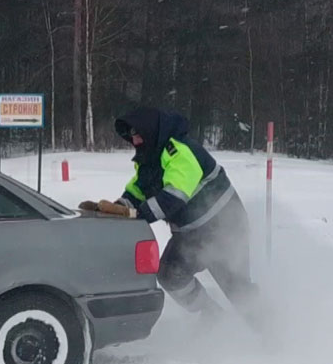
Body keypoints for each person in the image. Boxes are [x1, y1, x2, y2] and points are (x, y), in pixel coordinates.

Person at [80, 106, 260, 324]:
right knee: (170, 275)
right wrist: (116, 207)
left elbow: (174, 196)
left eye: (138, 135)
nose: (135, 141)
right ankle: (211, 315)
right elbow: (138, 189)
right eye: (132, 137)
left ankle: (274, 336)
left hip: (223, 230)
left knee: (238, 290)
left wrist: (135, 213)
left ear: (149, 131)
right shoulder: (149, 159)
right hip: (191, 234)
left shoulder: (180, 151)